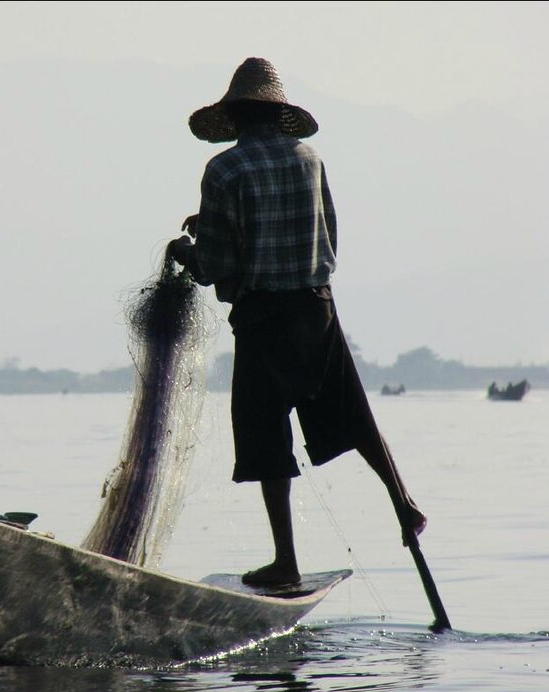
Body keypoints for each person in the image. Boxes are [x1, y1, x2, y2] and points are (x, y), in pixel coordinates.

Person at [170, 57, 427, 588]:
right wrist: (220, 223)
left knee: (267, 440)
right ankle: (403, 503)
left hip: (265, 321)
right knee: (354, 417)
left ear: (234, 117)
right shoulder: (309, 159)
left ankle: (285, 560)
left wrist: (185, 250)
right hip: (317, 309)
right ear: (277, 114)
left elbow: (216, 265)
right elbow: (325, 235)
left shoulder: (225, 170)